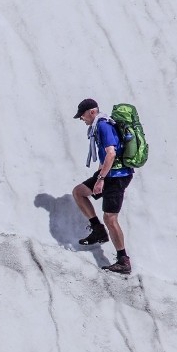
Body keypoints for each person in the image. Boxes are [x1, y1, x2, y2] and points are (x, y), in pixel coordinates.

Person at [72, 98, 134, 274]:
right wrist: (99, 176)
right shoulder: (99, 125)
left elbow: (111, 154)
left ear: (92, 112)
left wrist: (100, 179)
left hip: (116, 177)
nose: (81, 119)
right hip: (108, 175)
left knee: (110, 218)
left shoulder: (103, 125)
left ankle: (123, 260)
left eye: (82, 115)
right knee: (79, 192)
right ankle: (98, 231)